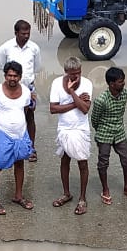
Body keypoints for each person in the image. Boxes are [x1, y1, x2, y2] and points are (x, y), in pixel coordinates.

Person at [0, 61, 34, 214]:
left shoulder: (26, 92)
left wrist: (17, 126)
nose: (12, 78)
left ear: (20, 77)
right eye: (9, 75)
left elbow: (25, 110)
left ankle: (18, 196)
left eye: (15, 75)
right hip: (3, 133)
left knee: (20, 164)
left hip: (21, 133)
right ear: (5, 75)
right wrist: (1, 128)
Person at [49, 57, 94, 215]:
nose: (76, 77)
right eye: (73, 74)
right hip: (64, 129)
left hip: (81, 129)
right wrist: (76, 101)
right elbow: (53, 109)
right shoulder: (56, 83)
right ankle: (66, 193)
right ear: (66, 72)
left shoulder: (87, 83)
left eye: (78, 73)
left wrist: (71, 92)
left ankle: (82, 198)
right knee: (65, 160)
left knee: (82, 163)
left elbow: (85, 109)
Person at [90, 65, 127, 205]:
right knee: (103, 163)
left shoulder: (125, 93)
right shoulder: (101, 100)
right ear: (111, 84)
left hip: (119, 132)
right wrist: (101, 131)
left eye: (123, 80)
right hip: (104, 133)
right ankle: (105, 189)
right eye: (120, 81)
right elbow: (94, 120)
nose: (123, 83)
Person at [0, 20, 42, 160]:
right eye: (23, 33)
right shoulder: (5, 48)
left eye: (28, 33)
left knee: (29, 117)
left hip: (28, 88)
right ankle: (11, 147)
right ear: (16, 33)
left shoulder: (34, 48)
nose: (26, 36)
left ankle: (31, 147)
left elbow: (37, 68)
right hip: (10, 89)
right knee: (11, 117)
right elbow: (2, 67)